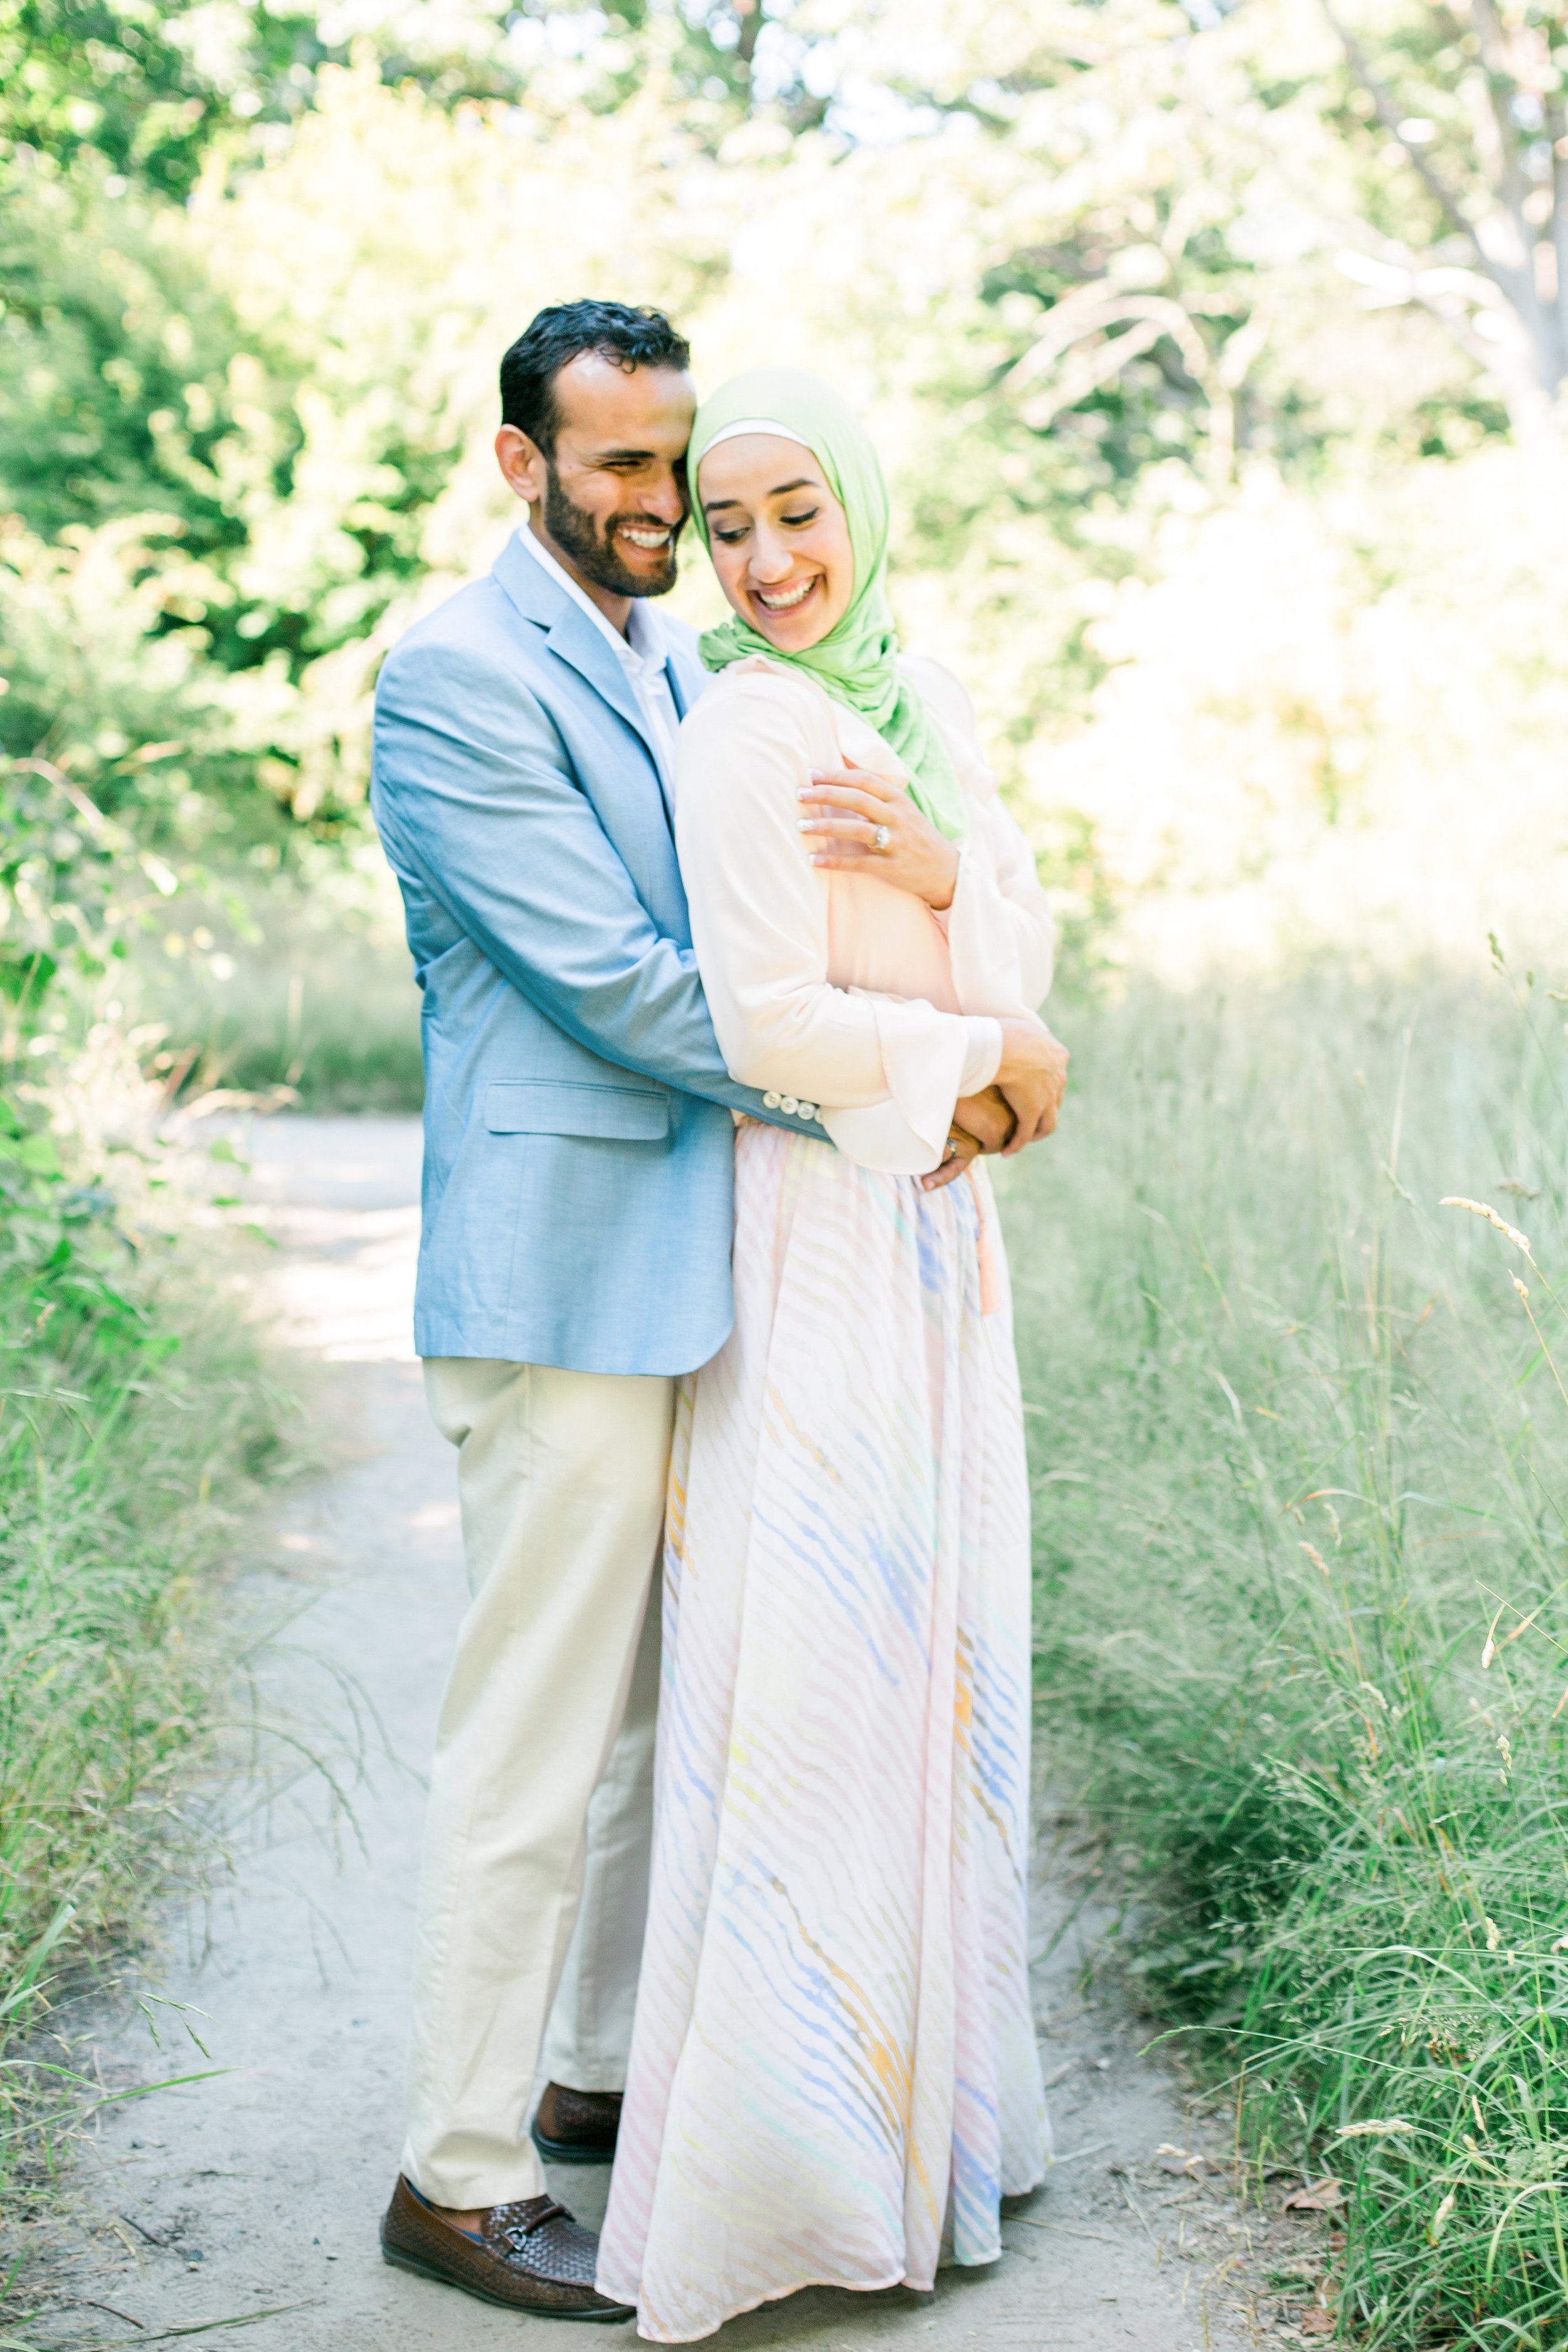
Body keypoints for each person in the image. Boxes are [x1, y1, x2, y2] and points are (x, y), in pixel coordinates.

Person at [368, 307, 1066, 2321]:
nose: (665, 504)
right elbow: (627, 984)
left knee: (659, 1715)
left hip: (709, 1267)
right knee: (531, 1730)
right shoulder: (456, 676)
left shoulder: (685, 653)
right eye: (619, 468)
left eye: (676, 460)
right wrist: (961, 1073)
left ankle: (592, 2073)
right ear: (523, 468)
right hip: (565, 1267)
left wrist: (949, 965)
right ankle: (457, 2167)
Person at [596, 368, 1066, 2341]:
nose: (771, 561)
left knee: (933, 1652)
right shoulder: (741, 729)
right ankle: (781, 2160)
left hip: (935, 1241)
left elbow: (1025, 943)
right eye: (729, 526)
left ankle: (930, 2121)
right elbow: (770, 1021)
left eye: (801, 512)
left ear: (864, 504)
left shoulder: (917, 700)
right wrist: (983, 1072)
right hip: (818, 1234)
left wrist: (958, 895)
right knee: (815, 1663)